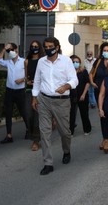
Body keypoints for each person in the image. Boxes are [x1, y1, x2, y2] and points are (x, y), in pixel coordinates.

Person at [32, 37, 78, 175]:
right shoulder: (41, 61)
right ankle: (48, 163)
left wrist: (66, 86)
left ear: (57, 47)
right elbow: (37, 80)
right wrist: (34, 97)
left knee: (65, 131)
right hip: (44, 100)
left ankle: (66, 151)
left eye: (51, 46)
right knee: (44, 132)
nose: (48, 49)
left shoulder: (66, 61)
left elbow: (74, 79)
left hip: (61, 101)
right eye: (45, 46)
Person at [0, 42, 29, 144]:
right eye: (8, 51)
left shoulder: (24, 62)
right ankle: (9, 135)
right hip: (9, 91)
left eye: (11, 50)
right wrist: (3, 49)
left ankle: (29, 130)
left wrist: (22, 79)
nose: (10, 52)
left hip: (20, 91)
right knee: (8, 113)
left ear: (16, 50)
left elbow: (29, 76)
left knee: (24, 112)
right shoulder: (8, 62)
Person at [89, 42, 108, 153]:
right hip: (99, 92)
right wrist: (92, 82)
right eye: (104, 50)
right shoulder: (98, 61)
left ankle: (107, 138)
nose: (106, 52)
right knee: (103, 114)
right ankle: (106, 140)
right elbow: (91, 73)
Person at [24, 40, 45, 151]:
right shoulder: (27, 61)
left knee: (37, 115)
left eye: (36, 46)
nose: (34, 48)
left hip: (41, 91)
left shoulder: (43, 61)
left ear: (40, 47)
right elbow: (26, 76)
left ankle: (36, 140)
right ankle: (33, 134)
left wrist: (39, 83)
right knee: (28, 114)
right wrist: (27, 81)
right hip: (29, 90)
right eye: (32, 46)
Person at [70, 55, 92, 136]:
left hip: (82, 95)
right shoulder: (68, 72)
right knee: (71, 114)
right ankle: (70, 131)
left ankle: (87, 129)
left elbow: (87, 83)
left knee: (84, 113)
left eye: (77, 62)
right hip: (71, 96)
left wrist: (83, 94)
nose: (75, 63)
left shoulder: (83, 71)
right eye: (73, 62)